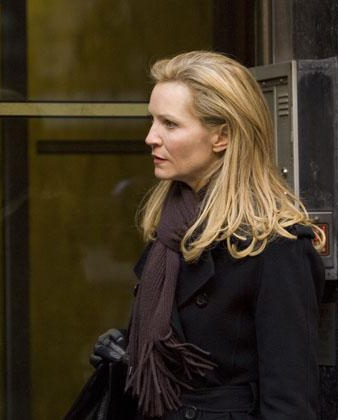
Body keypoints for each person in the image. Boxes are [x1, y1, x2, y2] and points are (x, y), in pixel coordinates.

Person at [91, 51, 325, 419]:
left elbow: (289, 402)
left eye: (170, 124)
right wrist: (129, 345)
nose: (150, 137)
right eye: (153, 120)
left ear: (222, 136)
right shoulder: (170, 228)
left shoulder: (278, 246)